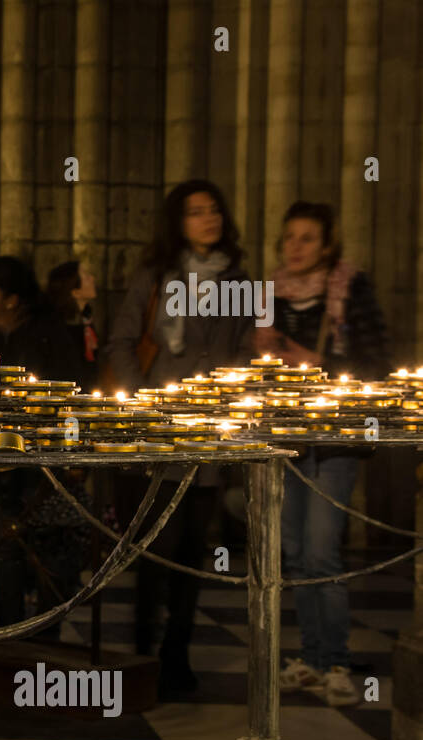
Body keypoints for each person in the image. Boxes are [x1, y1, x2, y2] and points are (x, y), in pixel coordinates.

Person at [103, 179, 253, 694]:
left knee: (193, 541)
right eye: (196, 212)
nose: (208, 219)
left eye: (214, 210)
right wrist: (143, 398)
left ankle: (177, 651)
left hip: (210, 423)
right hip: (161, 424)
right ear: (178, 222)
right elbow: (120, 341)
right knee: (157, 540)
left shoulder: (238, 279)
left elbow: (246, 345)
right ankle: (144, 648)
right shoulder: (155, 276)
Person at [259, 202, 389, 707]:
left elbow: (376, 361)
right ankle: (310, 658)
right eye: (289, 237)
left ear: (328, 245)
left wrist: (320, 362)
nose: (295, 246)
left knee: (321, 552)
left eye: (307, 238)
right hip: (286, 436)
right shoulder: (269, 294)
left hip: (334, 436)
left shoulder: (350, 290)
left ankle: (335, 660)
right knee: (293, 553)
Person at [0, 256, 89, 637]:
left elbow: (68, 397)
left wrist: (69, 454)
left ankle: (38, 646)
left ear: (11, 299)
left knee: (41, 555)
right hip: (9, 466)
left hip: (40, 467)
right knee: (10, 544)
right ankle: (11, 641)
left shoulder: (44, 335)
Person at [45, 260, 100, 391]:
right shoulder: (58, 329)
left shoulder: (86, 319)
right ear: (75, 292)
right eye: (86, 276)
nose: (92, 278)